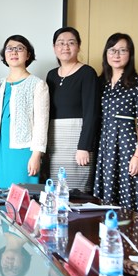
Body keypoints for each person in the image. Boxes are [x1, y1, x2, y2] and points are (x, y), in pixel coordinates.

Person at [93, 33, 138, 214]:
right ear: (106, 54)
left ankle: (131, 231)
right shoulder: (100, 82)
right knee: (104, 198)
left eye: (122, 50)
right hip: (103, 145)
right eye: (112, 50)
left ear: (130, 54)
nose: (116, 55)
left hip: (127, 146)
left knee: (128, 197)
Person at [45, 27, 100, 192]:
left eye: (71, 43)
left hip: (77, 141)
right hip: (55, 141)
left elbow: (91, 113)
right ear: (54, 47)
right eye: (60, 43)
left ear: (78, 46)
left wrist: (84, 147)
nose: (65, 47)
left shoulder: (87, 73)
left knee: (76, 192)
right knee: (55, 190)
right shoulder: (51, 75)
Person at [0, 35, 49, 189]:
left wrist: (36, 155)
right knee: (2, 194)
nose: (14, 52)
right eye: (9, 49)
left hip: (25, 150)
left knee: (24, 195)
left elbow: (41, 123)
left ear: (28, 54)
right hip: (1, 149)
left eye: (19, 48)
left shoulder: (38, 84)